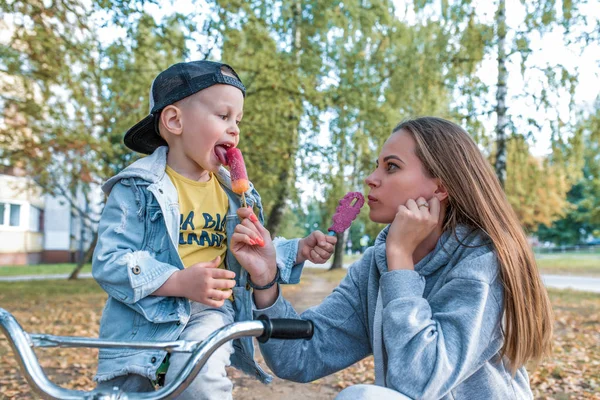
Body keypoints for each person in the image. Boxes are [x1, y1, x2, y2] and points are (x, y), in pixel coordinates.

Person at [231, 117, 553, 399]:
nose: (372, 178)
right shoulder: (374, 266)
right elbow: (299, 357)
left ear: (440, 188)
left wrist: (400, 259)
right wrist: (266, 279)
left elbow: (420, 382)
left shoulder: (482, 264)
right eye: (376, 165)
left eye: (392, 167)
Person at [92, 60, 336, 400]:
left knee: (199, 379)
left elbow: (251, 254)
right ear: (175, 120)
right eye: (223, 116)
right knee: (120, 394)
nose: (235, 129)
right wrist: (177, 281)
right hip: (140, 318)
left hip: (210, 311)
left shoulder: (235, 195)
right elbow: (109, 261)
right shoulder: (136, 188)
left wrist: (298, 249)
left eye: (238, 120)